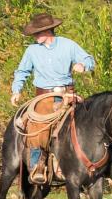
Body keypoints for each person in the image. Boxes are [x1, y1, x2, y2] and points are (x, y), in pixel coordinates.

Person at [10, 13, 95, 181]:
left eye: (36, 33)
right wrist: (16, 90)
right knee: (37, 126)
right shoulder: (31, 50)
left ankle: (98, 162)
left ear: (47, 31)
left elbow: (89, 59)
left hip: (67, 94)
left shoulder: (68, 45)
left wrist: (82, 65)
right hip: (44, 96)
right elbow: (22, 71)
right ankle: (38, 165)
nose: (34, 36)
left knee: (91, 120)